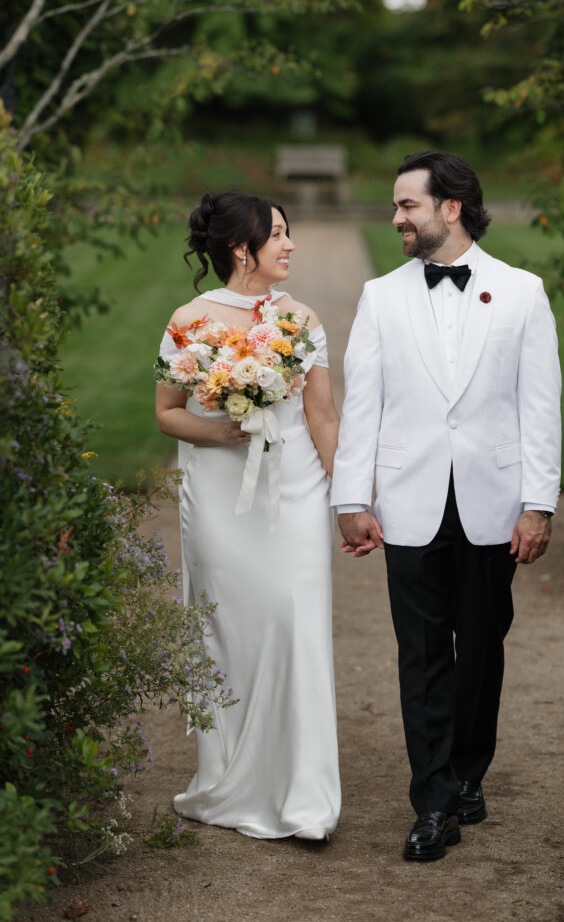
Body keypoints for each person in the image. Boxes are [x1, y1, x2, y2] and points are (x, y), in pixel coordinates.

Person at [330, 151, 562, 862]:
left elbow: (539, 406)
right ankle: (432, 801)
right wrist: (350, 496)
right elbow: (362, 404)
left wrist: (537, 503)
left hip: (494, 504)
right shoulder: (379, 296)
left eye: (407, 205)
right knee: (421, 655)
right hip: (409, 503)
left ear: (450, 208)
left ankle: (467, 771)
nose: (395, 216)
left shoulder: (522, 292)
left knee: (480, 649)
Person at [156, 190, 341, 841]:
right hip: (218, 494)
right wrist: (223, 432)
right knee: (229, 630)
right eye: (279, 234)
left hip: (292, 492)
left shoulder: (302, 319)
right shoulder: (190, 319)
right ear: (243, 248)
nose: (290, 244)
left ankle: (304, 798)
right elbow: (168, 411)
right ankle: (226, 779)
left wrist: (346, 500)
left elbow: (320, 415)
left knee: (296, 625)